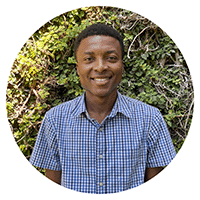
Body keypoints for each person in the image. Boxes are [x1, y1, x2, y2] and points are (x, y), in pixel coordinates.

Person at [30, 23, 176, 194]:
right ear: (78, 68)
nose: (100, 67)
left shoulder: (150, 119)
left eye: (111, 58)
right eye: (89, 59)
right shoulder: (55, 120)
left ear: (122, 65)